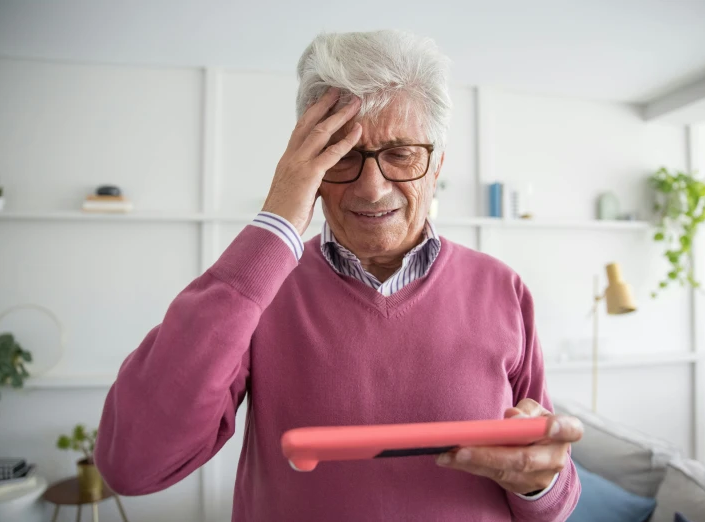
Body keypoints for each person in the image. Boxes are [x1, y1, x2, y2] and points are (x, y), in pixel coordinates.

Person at [95, 29, 583, 521]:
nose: (372, 189)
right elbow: (133, 464)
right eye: (342, 155)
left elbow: (548, 490)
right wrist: (275, 225)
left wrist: (542, 485)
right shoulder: (262, 289)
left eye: (400, 154)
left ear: (437, 165)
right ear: (307, 166)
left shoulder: (503, 288)